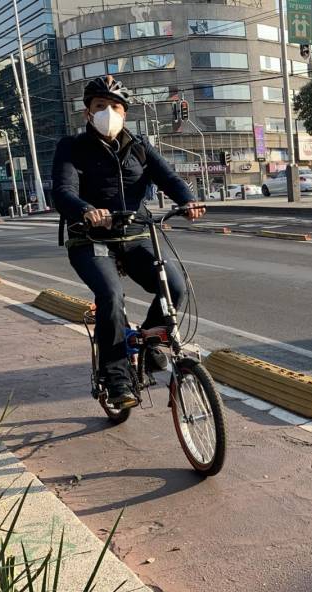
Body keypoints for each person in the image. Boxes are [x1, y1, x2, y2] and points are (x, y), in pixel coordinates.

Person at [52, 75, 205, 410]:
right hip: (90, 239)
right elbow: (62, 191)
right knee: (110, 295)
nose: (109, 112)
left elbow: (169, 177)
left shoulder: (139, 146)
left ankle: (150, 342)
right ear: (87, 113)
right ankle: (116, 374)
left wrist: (188, 200)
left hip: (135, 235)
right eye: (100, 106)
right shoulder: (72, 147)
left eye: (115, 106)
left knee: (175, 287)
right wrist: (87, 211)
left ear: (125, 112)